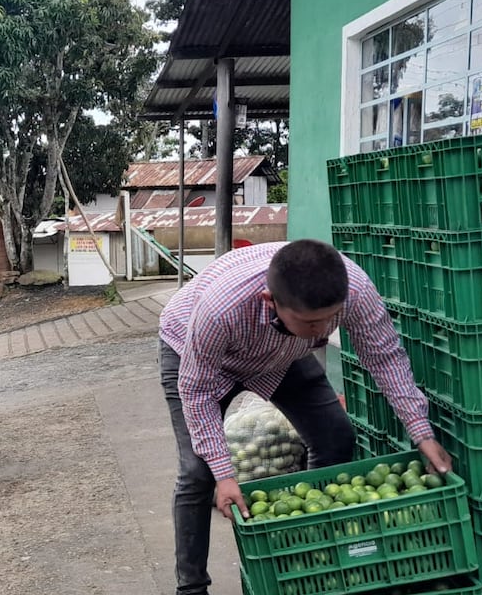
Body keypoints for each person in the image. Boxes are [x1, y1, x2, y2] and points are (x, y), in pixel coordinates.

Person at [159, 239, 452, 595]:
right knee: (197, 471)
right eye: (313, 322)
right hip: (195, 350)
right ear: (272, 301)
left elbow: (384, 357)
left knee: (335, 437)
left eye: (332, 318)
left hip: (282, 352)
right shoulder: (222, 308)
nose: (324, 329)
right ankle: (191, 588)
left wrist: (422, 433)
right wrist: (225, 475)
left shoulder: (353, 289)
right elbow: (197, 391)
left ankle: (313, 552)